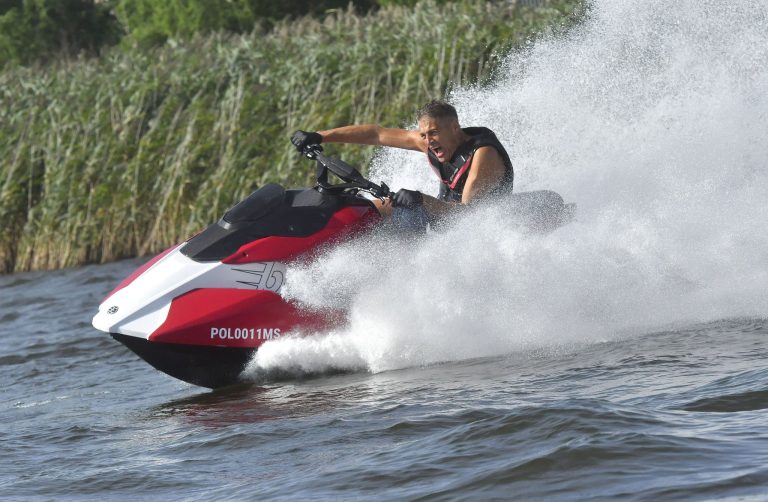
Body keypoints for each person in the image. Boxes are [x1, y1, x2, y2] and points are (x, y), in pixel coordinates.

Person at [291, 100, 513, 230]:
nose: (428, 141)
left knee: (390, 209)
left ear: (455, 127)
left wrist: (420, 199)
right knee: (369, 208)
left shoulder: (484, 155)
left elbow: (469, 216)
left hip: (478, 230)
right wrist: (319, 136)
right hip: (442, 214)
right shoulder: (429, 142)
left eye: (434, 133)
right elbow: (375, 134)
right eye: (424, 134)